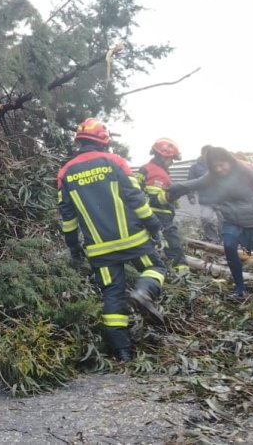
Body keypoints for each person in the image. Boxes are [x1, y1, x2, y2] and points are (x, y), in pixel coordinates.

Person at [57, 118, 167, 361]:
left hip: (100, 250)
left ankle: (123, 351)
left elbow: (68, 217)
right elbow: (136, 198)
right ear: (104, 140)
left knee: (112, 293)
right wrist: (153, 225)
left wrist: (74, 248)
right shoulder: (114, 162)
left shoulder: (65, 172)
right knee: (156, 267)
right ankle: (143, 293)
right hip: (133, 240)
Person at [169, 146, 253, 298]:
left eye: (221, 164)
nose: (219, 169)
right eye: (215, 166)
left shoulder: (243, 171)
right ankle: (240, 288)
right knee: (229, 247)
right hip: (232, 220)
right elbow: (195, 183)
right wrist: (176, 187)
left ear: (229, 161)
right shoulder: (212, 176)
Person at [137, 138, 189, 275]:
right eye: (171, 159)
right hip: (158, 214)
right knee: (172, 240)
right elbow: (156, 199)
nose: (172, 162)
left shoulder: (147, 168)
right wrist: (173, 195)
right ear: (163, 156)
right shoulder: (157, 172)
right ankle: (181, 271)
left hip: (145, 212)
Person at [187, 146, 220, 242]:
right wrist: (191, 196)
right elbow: (190, 181)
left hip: (221, 199)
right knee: (206, 219)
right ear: (202, 154)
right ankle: (213, 239)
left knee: (225, 221)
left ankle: (225, 240)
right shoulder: (195, 167)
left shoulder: (218, 164)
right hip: (205, 200)